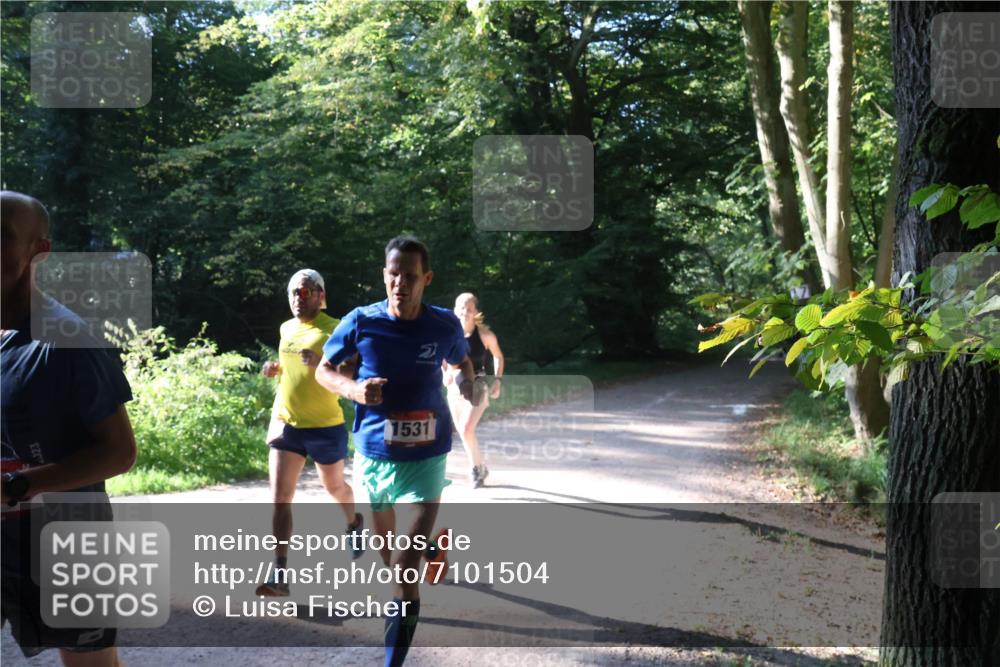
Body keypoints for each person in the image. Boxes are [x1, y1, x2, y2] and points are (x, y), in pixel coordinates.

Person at [315, 235, 479, 667]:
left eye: (409, 276)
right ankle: (433, 545)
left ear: (426, 279)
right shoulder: (361, 322)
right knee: (393, 568)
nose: (400, 283)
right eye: (393, 275)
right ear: (384, 275)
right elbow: (324, 370)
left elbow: (462, 362)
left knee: (404, 569)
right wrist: (353, 389)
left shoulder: (443, 325)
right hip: (373, 457)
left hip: (427, 457)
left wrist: (466, 382)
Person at [1, 191, 137, 666]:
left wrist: (19, 486)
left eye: (2, 238)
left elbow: (120, 452)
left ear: (38, 253)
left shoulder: (68, 339)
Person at [255, 269, 363, 597]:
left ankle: (353, 523)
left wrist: (320, 363)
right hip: (287, 423)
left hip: (325, 424)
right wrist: (274, 368)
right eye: (292, 293)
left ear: (321, 295)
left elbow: (353, 370)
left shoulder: (337, 328)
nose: (297, 299)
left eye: (305, 292)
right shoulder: (286, 328)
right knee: (280, 499)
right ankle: (280, 573)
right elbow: (289, 366)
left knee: (334, 487)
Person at [444, 292, 504, 488]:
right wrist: (445, 373)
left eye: (469, 308)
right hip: (454, 389)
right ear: (455, 310)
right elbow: (441, 359)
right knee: (464, 432)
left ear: (476, 312)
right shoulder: (449, 335)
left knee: (466, 428)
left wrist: (497, 381)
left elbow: (498, 357)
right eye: (461, 307)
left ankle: (476, 470)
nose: (465, 312)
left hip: (479, 385)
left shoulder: (485, 335)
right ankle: (480, 467)